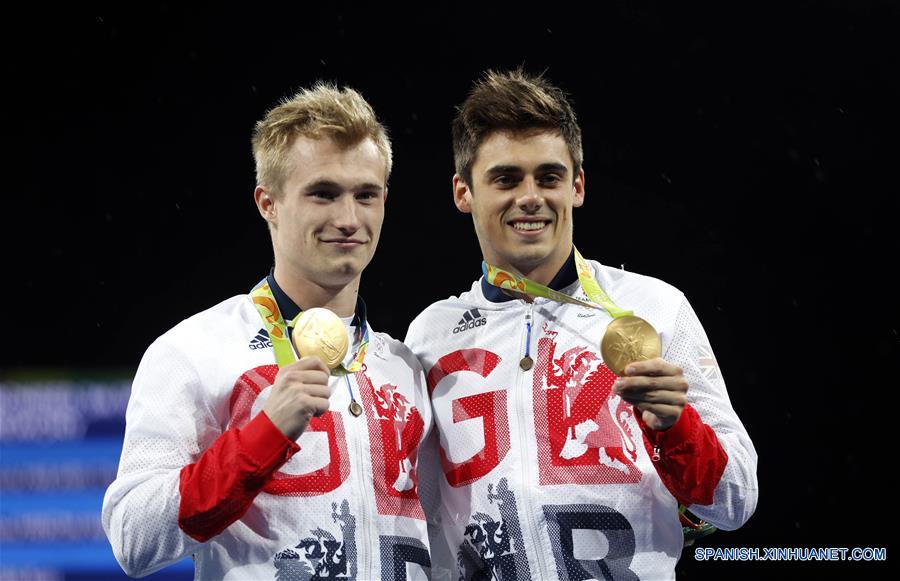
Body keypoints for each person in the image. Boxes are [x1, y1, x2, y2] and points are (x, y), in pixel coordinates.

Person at [406, 69, 758, 580]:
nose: (530, 196)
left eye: (548, 177)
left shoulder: (653, 308)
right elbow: (417, 513)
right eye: (506, 178)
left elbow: (736, 500)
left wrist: (676, 428)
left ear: (578, 187)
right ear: (463, 192)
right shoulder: (429, 336)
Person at [102, 84, 433, 580]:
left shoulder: (403, 365)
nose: (348, 219)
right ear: (268, 203)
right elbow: (134, 537)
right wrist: (263, 436)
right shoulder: (195, 350)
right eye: (323, 193)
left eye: (366, 195)